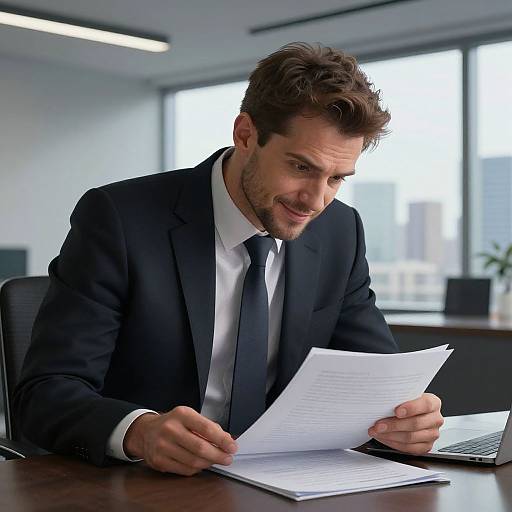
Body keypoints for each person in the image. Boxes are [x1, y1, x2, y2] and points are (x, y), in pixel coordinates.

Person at [14, 43, 443, 476]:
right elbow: (45, 393)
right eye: (300, 168)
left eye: (336, 178)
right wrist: (139, 431)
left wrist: (407, 418)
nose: (316, 201)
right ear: (245, 134)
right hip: (146, 484)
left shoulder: (340, 231)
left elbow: (377, 380)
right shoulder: (120, 219)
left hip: (285, 482)